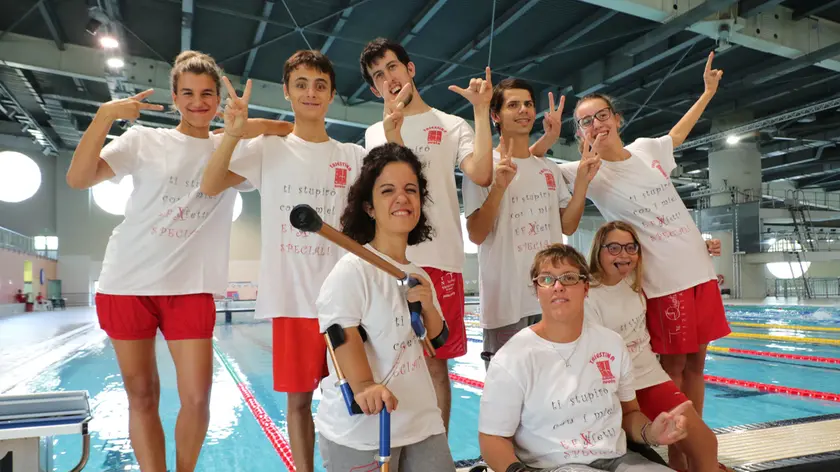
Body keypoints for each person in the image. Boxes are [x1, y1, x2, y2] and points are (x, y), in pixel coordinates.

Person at [66, 51, 289, 472]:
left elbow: (289, 130)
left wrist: (242, 126)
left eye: (207, 94)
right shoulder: (144, 140)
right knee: (143, 394)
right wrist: (104, 115)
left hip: (190, 288)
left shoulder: (234, 151)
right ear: (174, 97)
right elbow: (78, 179)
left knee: (198, 397)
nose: (198, 102)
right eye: (187, 93)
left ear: (219, 100)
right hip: (127, 283)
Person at [199, 49, 404, 472]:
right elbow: (212, 182)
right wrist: (236, 133)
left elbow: (387, 198)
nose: (311, 93)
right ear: (288, 94)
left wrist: (392, 133)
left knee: (359, 391)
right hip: (292, 299)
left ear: (331, 95)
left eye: (320, 85)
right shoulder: (269, 149)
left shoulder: (350, 155)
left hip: (348, 302)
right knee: (299, 401)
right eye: (301, 85)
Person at [359, 37, 557, 431]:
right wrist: (391, 133)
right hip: (388, 263)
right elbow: (395, 190)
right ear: (372, 88)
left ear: (410, 69)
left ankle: (438, 453)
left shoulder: (450, 126)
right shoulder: (372, 134)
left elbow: (482, 174)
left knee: (436, 365)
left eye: (393, 67)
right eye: (378, 75)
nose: (389, 78)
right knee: (386, 361)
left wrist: (482, 111)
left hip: (441, 260)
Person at [558, 52, 729, 419]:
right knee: (673, 369)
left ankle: (692, 444)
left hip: (699, 270)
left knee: (699, 365)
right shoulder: (581, 171)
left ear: (617, 119)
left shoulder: (646, 149)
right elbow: (561, 215)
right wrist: (578, 175)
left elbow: (678, 134)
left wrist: (707, 93)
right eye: (585, 121)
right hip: (662, 280)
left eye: (601, 115)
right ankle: (674, 446)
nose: (595, 123)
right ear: (579, 134)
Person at [479, 244, 690, 472]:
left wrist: (650, 432)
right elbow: (492, 439)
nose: (558, 287)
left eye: (569, 278)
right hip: (553, 467)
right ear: (537, 290)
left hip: (617, 459)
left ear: (586, 287)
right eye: (547, 280)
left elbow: (629, 413)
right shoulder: (513, 356)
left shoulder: (612, 343)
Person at [315, 143, 455, 471]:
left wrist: (428, 307)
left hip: (420, 420)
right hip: (361, 430)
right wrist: (363, 385)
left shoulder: (418, 274)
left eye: (411, 190)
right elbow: (338, 332)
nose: (402, 198)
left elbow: (435, 342)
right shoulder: (353, 270)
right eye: (388, 191)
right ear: (369, 207)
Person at [463, 78, 598, 368]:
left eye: (527, 104)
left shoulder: (548, 168)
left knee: (555, 390)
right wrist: (498, 187)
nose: (523, 110)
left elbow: (568, 226)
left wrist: (583, 184)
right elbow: (475, 233)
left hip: (552, 297)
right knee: (507, 397)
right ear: (495, 115)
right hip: (506, 303)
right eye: (513, 105)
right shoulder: (484, 167)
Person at [585, 221, 727, 472]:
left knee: (704, 443)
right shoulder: (588, 295)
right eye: (614, 248)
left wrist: (702, 247)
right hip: (614, 388)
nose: (624, 255)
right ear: (599, 250)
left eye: (631, 248)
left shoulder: (635, 279)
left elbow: (669, 257)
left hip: (650, 378)